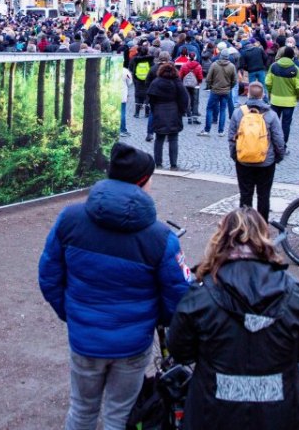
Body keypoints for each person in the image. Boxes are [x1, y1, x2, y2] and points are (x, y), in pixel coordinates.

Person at [38, 142, 190, 430]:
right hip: (133, 346)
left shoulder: (69, 220)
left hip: (85, 341)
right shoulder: (161, 237)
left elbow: (48, 277)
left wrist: (73, 314)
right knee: (118, 416)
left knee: (81, 411)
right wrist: (151, 321)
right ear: (142, 182)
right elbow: (179, 294)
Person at [167, 207, 299, 430]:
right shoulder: (293, 293)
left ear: (220, 240)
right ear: (265, 238)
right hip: (281, 413)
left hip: (212, 412)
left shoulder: (200, 295)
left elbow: (179, 349)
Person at [227, 81, 285, 220]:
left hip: (244, 161)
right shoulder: (271, 114)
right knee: (264, 195)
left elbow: (231, 137)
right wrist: (278, 157)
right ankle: (262, 227)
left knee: (245, 194)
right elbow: (278, 139)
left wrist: (235, 155)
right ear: (263, 95)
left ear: (247, 94)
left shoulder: (238, 113)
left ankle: (245, 226)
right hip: (266, 161)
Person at [146, 61, 189, 170]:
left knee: (159, 138)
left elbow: (151, 99)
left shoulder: (156, 82)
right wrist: (181, 111)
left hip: (159, 111)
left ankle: (158, 164)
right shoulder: (177, 82)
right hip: (174, 111)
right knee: (173, 139)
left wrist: (154, 110)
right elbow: (184, 98)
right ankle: (173, 165)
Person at [265, 46, 299, 144]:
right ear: (292, 56)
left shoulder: (273, 66)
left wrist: (271, 91)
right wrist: (297, 95)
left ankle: (273, 143)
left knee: (274, 123)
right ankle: (283, 145)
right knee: (286, 125)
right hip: (289, 102)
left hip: (275, 100)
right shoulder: (296, 69)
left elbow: (268, 82)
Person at [198, 50, 237, 137]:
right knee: (223, 110)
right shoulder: (232, 66)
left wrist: (211, 86)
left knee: (209, 109)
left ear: (220, 56)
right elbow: (234, 80)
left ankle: (207, 130)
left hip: (215, 90)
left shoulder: (214, 65)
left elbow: (208, 78)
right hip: (226, 91)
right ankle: (221, 131)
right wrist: (229, 87)